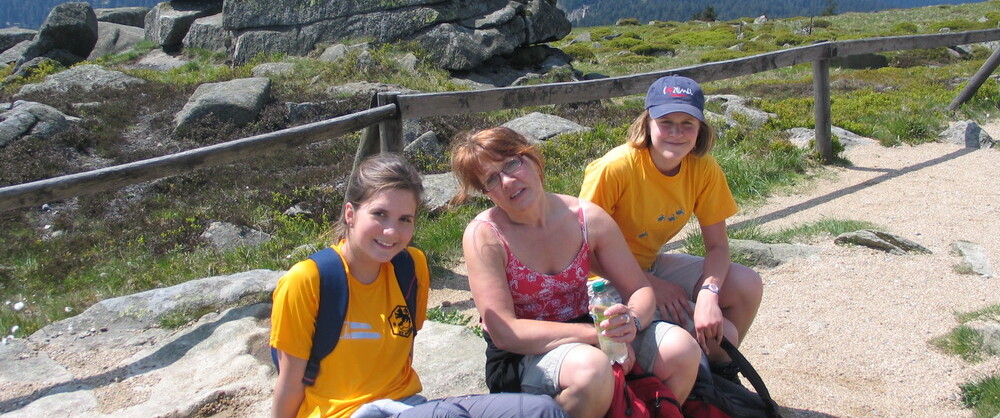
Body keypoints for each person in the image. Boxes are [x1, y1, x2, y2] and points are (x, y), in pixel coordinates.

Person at [270, 154, 568, 418]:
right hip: (343, 413)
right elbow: (289, 383)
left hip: (407, 405)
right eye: (379, 214)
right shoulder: (308, 280)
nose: (391, 231)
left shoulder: (410, 267)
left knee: (544, 411)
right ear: (350, 213)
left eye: (405, 219)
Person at [451, 127, 701, 418]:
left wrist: (629, 322)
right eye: (491, 179)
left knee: (681, 349)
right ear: (486, 193)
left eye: (511, 164)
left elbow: (640, 289)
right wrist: (597, 336)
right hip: (524, 355)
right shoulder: (485, 237)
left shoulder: (586, 218)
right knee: (592, 370)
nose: (507, 181)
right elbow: (506, 331)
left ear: (532, 159)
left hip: (591, 328)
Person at [578, 75, 764, 372]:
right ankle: (689, 379)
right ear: (647, 123)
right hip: (602, 281)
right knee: (721, 335)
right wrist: (649, 285)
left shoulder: (703, 168)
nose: (676, 133)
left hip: (650, 266)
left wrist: (708, 294)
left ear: (700, 129)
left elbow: (717, 246)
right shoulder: (615, 169)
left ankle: (716, 380)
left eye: (687, 123)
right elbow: (582, 252)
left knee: (746, 284)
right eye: (666, 122)